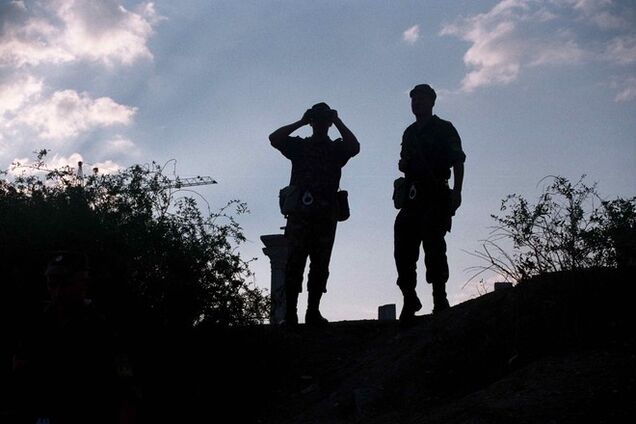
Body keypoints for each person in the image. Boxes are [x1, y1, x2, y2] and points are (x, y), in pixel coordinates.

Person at [12, 251, 136, 423]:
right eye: (51, 285)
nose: (57, 292)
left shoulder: (104, 326)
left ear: (83, 283)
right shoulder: (37, 323)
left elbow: (124, 381)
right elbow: (20, 372)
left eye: (64, 284)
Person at [269, 102, 360, 326]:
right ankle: (290, 313)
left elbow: (354, 146)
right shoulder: (301, 147)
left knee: (320, 265)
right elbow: (275, 138)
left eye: (323, 120)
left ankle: (313, 311)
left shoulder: (335, 149)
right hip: (301, 213)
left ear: (328, 123)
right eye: (316, 120)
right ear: (312, 122)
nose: (320, 124)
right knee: (294, 264)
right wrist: (301, 121)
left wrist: (337, 120)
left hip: (325, 214)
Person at [394, 84, 466, 323]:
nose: (417, 104)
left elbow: (457, 161)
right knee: (403, 250)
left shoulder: (444, 128)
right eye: (413, 100)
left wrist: (457, 191)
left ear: (432, 102)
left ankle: (439, 298)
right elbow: (403, 162)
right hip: (412, 198)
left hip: (435, 195)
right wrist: (404, 163)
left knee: (434, 248)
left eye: (421, 100)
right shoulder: (409, 132)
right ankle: (409, 297)